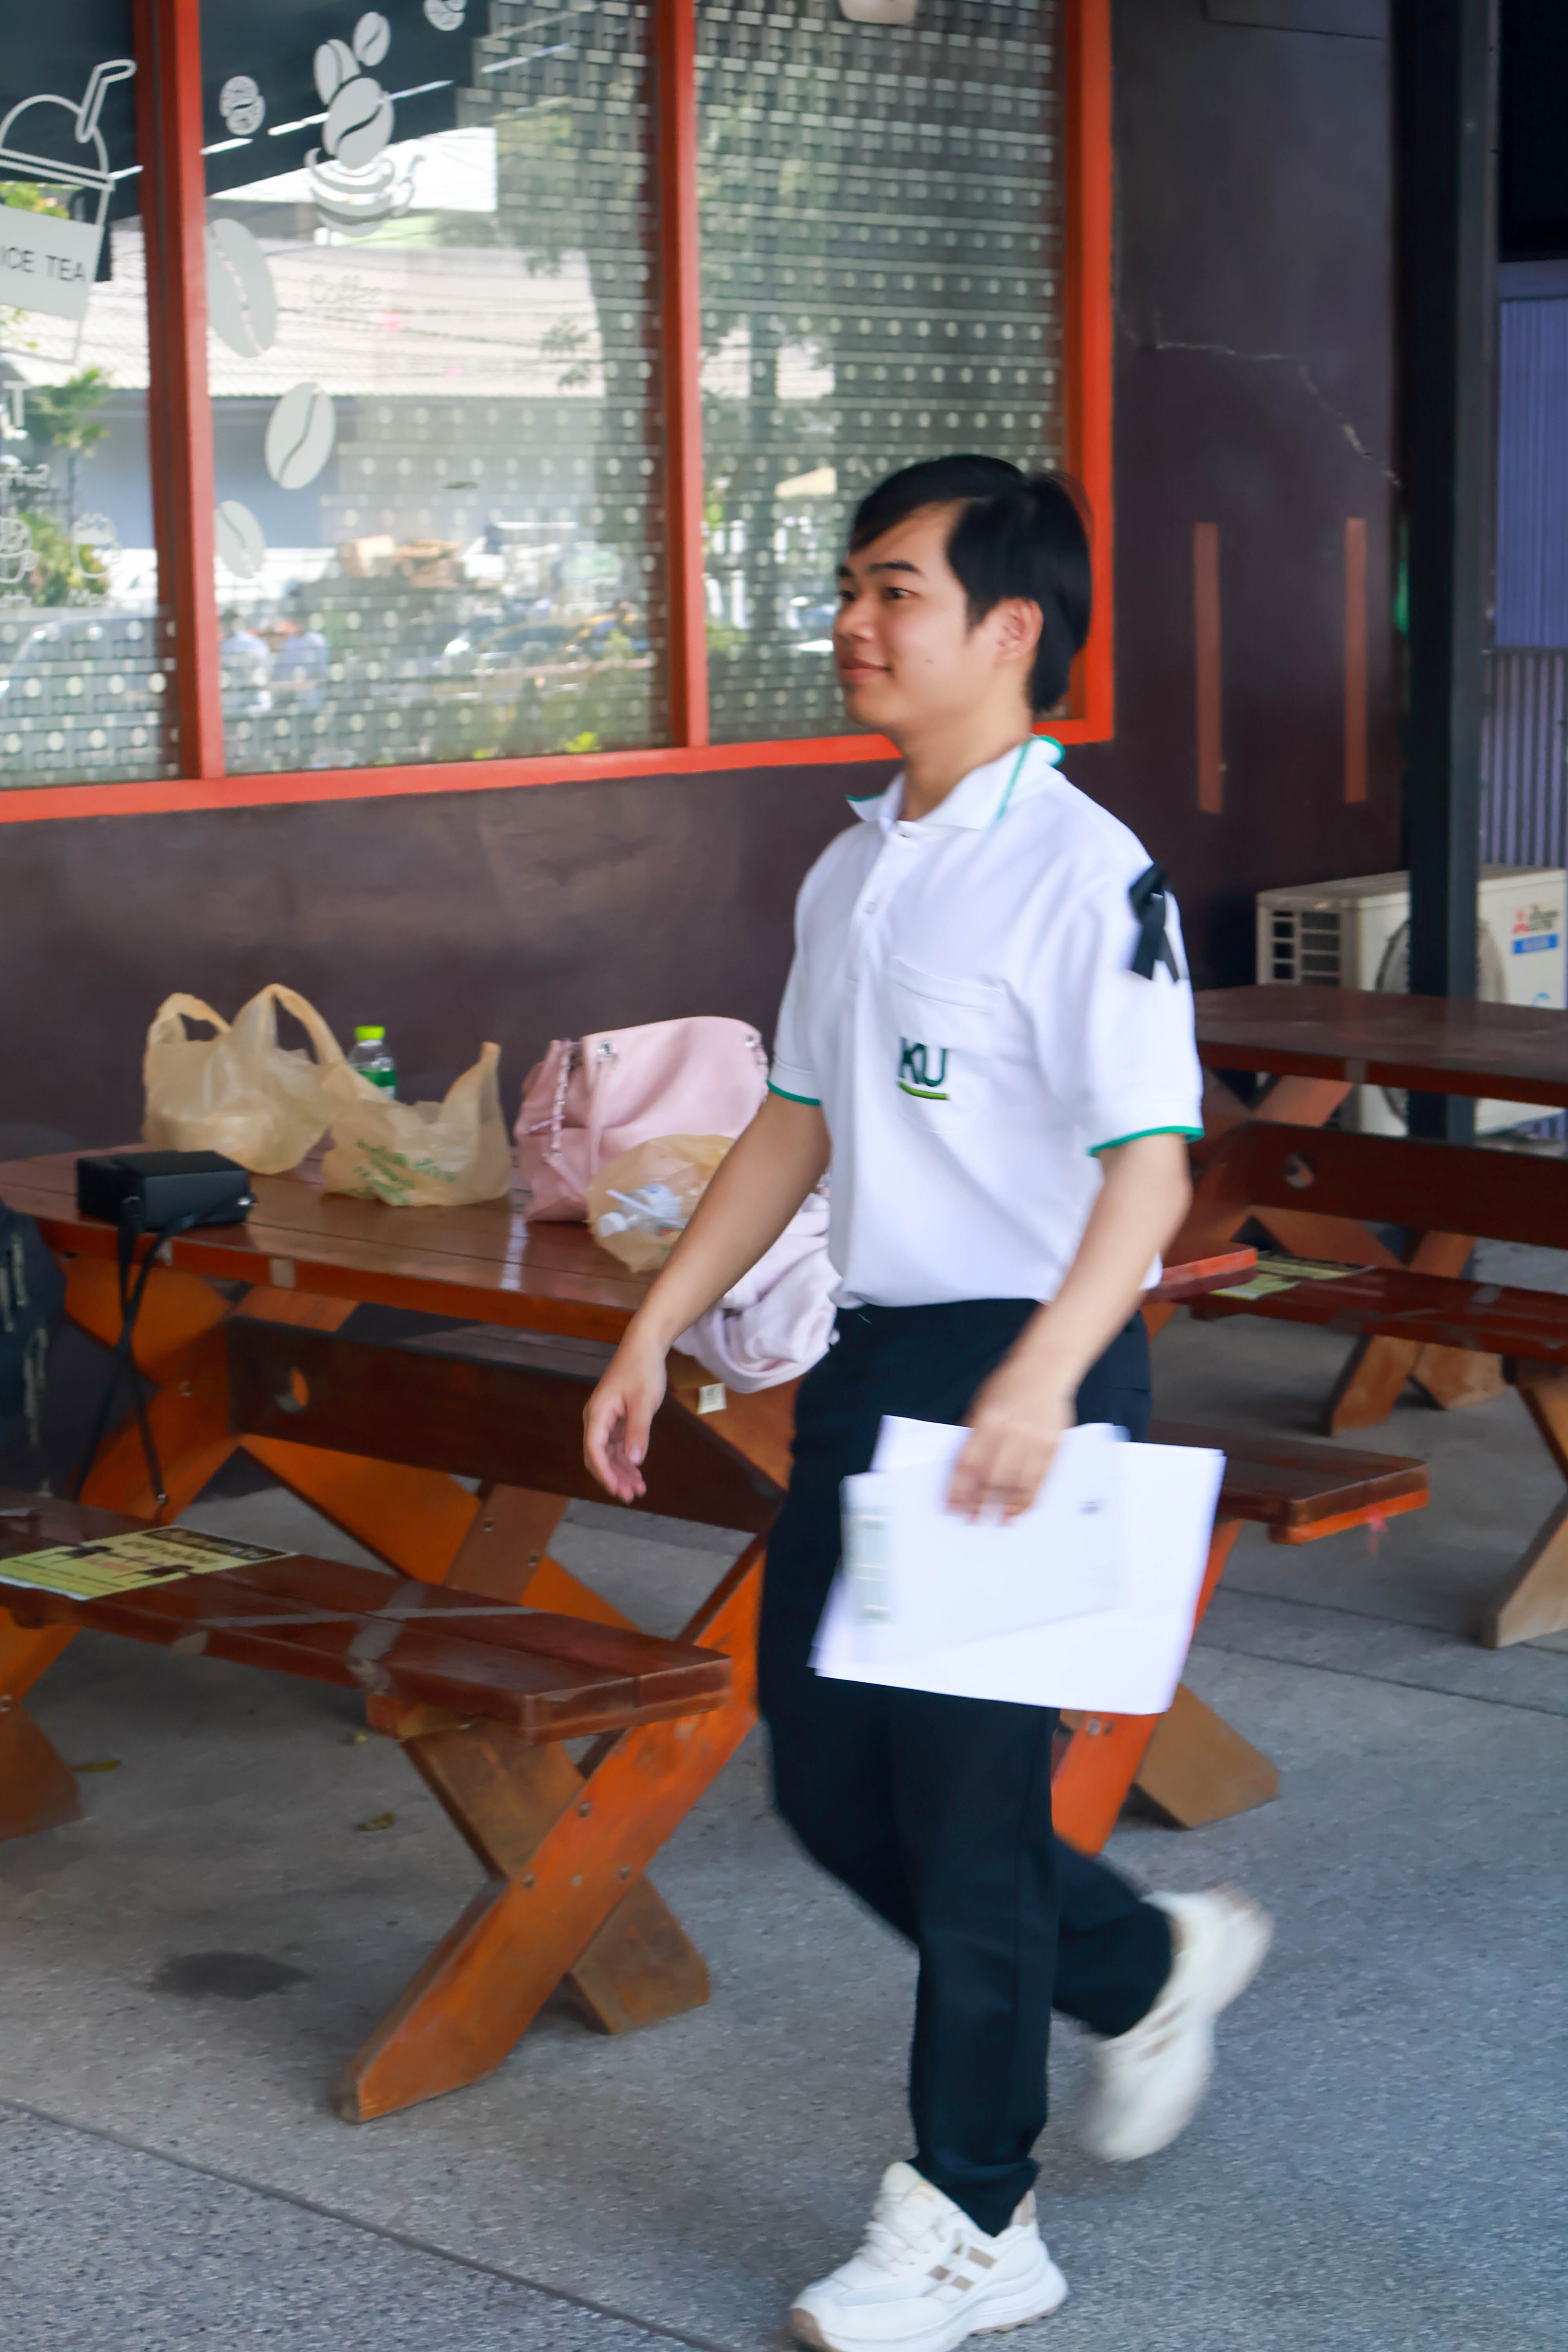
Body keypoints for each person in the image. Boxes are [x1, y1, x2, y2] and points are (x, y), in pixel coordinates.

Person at [583, 454, 1271, 2351]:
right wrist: (658, 1323)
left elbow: (1151, 1166)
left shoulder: (1085, 871)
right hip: (875, 1356)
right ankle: (1139, 1964)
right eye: (852, 586)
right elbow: (794, 1121)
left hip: (1031, 1365)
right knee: (825, 1783)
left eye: (895, 589)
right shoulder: (857, 861)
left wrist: (1042, 1378)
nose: (852, 623)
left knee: (967, 1821)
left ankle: (975, 2217)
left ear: (1010, 628)